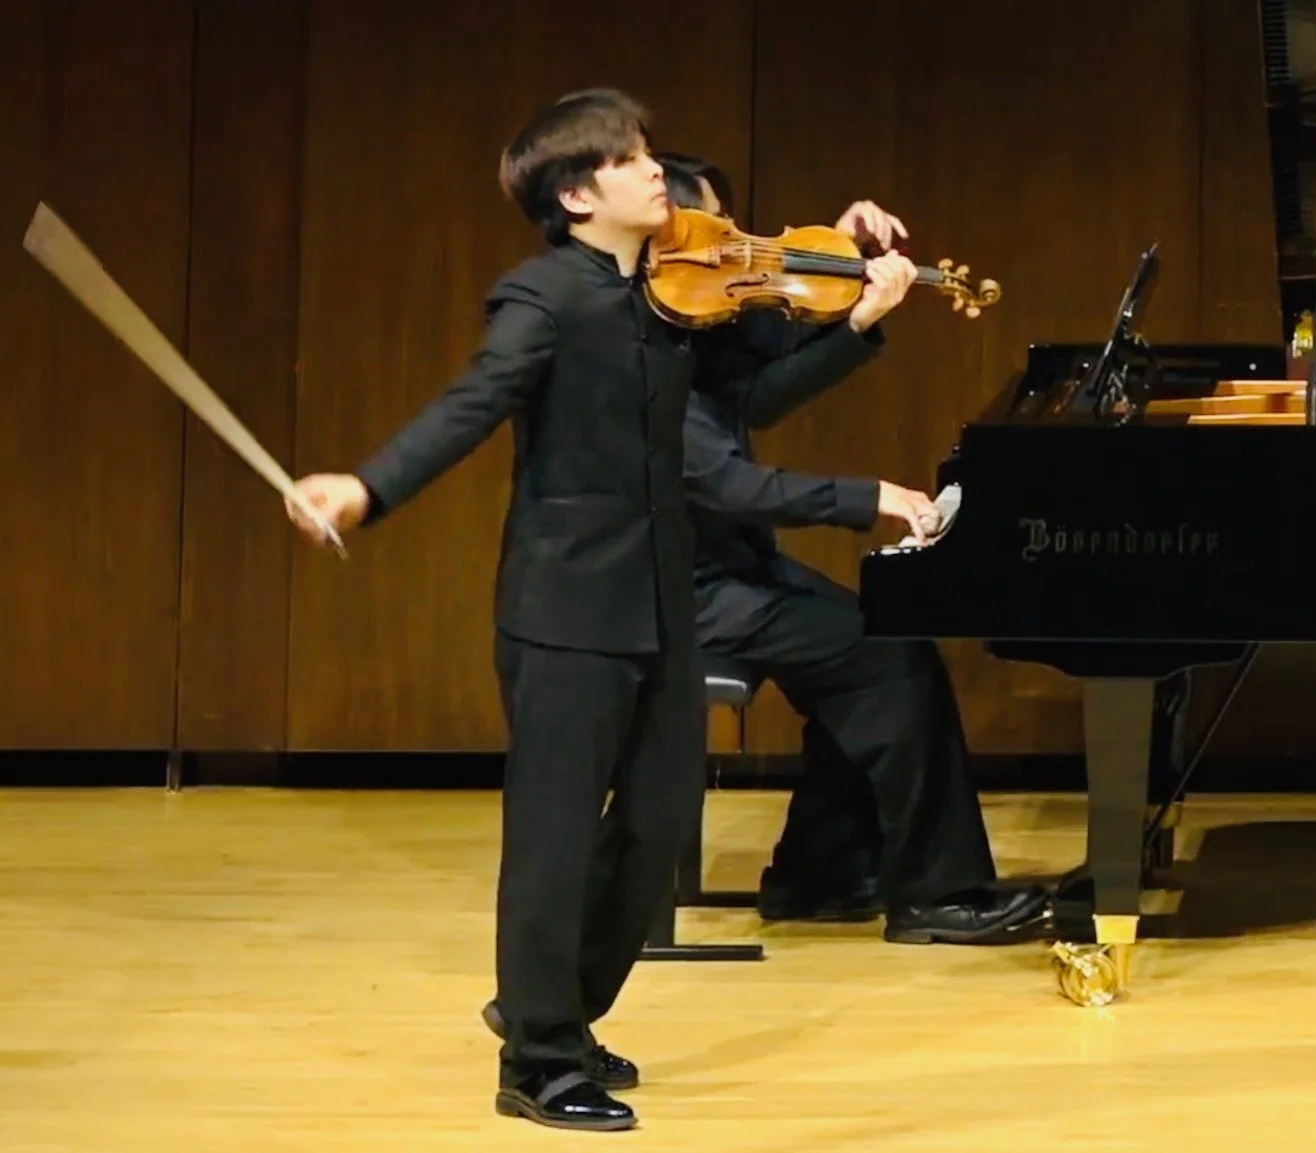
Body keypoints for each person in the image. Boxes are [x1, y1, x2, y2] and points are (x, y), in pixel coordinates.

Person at [282, 91, 919, 1134]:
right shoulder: (543, 299)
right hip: (565, 607)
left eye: (647, 152)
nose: (652, 170)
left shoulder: (666, 303)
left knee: (660, 817)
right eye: (629, 160)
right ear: (579, 195)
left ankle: (553, 1010)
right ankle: (536, 1059)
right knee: (555, 837)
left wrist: (850, 287)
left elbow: (751, 383)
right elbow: (472, 403)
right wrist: (367, 486)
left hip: (661, 604)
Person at [659, 153, 1050, 944]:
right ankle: (936, 895)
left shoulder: (683, 324)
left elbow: (755, 396)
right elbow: (726, 480)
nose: (732, 253)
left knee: (869, 644)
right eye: (714, 234)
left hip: (724, 562)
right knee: (885, 657)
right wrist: (867, 497)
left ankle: (822, 872)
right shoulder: (635, 343)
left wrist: (839, 278)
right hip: (675, 589)